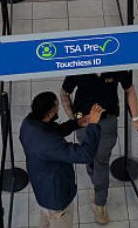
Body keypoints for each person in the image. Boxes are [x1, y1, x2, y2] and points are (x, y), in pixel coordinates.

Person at [61, 72, 138, 224]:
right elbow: (65, 92)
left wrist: (135, 118)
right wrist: (74, 118)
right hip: (84, 124)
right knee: (88, 157)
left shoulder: (116, 64)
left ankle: (100, 203)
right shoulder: (81, 64)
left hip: (107, 123)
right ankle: (96, 184)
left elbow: (129, 89)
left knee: (101, 162)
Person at [20, 92, 104, 228]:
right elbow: (85, 155)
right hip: (56, 198)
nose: (59, 109)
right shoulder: (49, 144)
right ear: (50, 114)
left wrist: (76, 123)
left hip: (41, 188)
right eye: (57, 107)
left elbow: (51, 131)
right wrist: (94, 125)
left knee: (45, 220)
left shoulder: (28, 124)